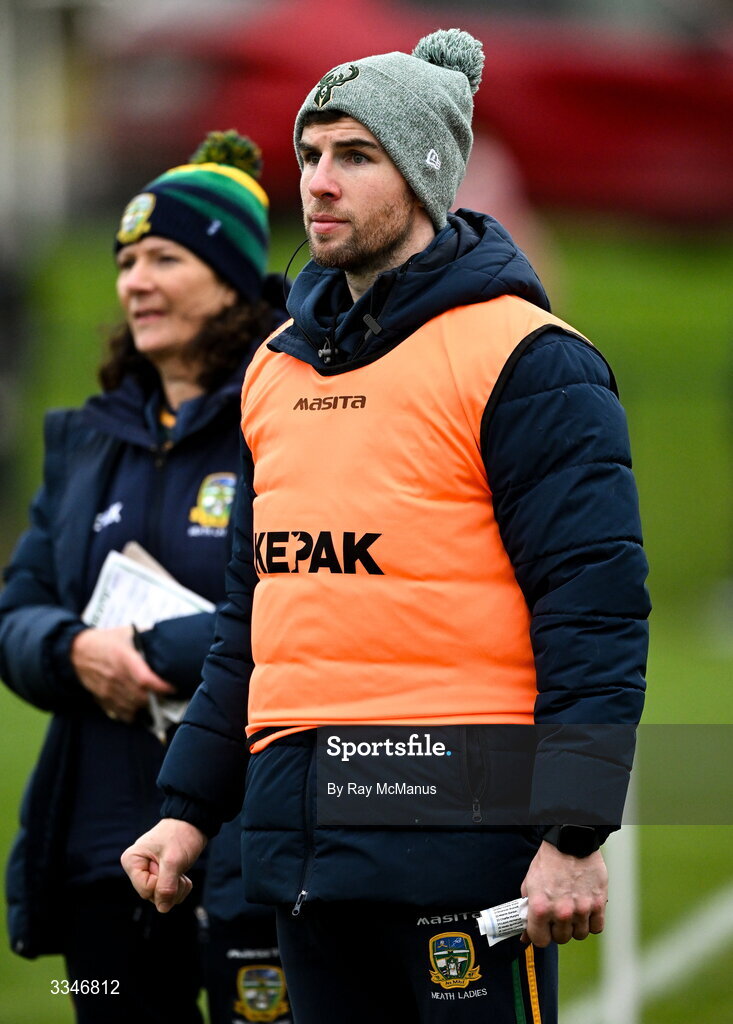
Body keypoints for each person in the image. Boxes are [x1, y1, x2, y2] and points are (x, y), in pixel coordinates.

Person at [122, 29, 650, 1024]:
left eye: (356, 156)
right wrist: (187, 809)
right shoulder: (275, 368)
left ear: (426, 172)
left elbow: (595, 611)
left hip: (464, 851)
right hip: (300, 857)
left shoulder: (529, 359)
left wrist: (573, 834)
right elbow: (256, 614)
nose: (319, 181)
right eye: (313, 153)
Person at [0, 131, 291, 1024]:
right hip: (102, 853)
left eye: (166, 257)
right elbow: (16, 612)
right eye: (127, 261)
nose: (136, 282)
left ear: (233, 279)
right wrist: (73, 648)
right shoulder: (84, 440)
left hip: (250, 847)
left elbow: (299, 602)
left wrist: (145, 652)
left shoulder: (288, 419)